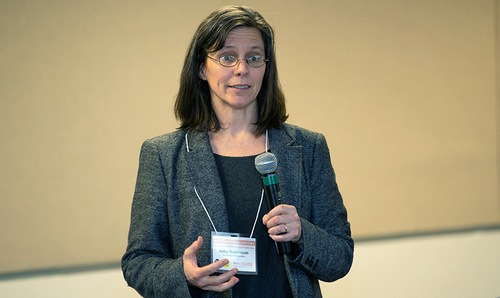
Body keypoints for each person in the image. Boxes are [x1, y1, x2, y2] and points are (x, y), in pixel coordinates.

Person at [121, 5, 353, 298]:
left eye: (254, 58)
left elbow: (341, 257)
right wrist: (184, 275)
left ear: (266, 68)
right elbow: (138, 262)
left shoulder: (307, 149)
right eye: (227, 57)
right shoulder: (164, 155)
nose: (242, 69)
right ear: (202, 68)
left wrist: (302, 233)